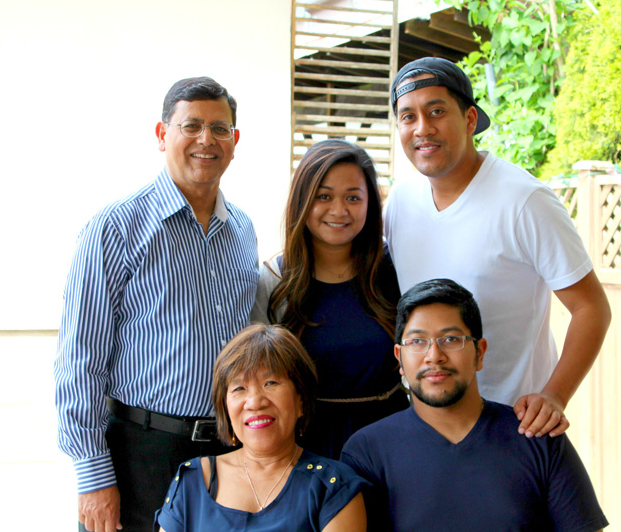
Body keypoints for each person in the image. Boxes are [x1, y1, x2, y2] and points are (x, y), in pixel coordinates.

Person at [54, 76, 259, 532]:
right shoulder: (115, 227)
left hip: (228, 449)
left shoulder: (243, 231)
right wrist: (92, 476)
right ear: (162, 134)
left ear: (234, 141)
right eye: (191, 126)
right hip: (141, 453)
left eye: (220, 128)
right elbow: (79, 361)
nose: (206, 139)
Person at [384, 57, 612, 438]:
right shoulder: (400, 201)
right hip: (428, 429)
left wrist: (554, 396)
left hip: (515, 429)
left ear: (470, 119)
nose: (422, 128)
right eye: (408, 117)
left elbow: (591, 308)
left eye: (436, 111)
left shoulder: (525, 201)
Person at [341, 279, 608, 531]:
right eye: (418, 341)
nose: (434, 356)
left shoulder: (535, 437)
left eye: (451, 339)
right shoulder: (367, 453)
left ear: (479, 352)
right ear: (400, 357)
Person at [250, 139, 408, 459]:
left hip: (391, 443)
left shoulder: (396, 269)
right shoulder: (274, 281)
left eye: (353, 197)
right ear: (302, 201)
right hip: (307, 450)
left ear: (370, 204)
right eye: (324, 196)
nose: (339, 210)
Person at [155, 324, 368, 531]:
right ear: (225, 407)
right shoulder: (193, 479)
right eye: (239, 388)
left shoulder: (332, 486)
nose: (255, 402)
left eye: (271, 383)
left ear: (301, 400)